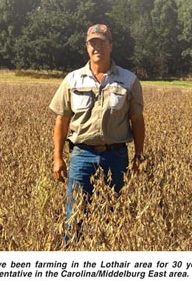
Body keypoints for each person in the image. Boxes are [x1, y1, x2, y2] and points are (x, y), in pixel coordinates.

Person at [49, 23, 145, 243]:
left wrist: (139, 155)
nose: (96, 47)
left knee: (115, 215)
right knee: (74, 216)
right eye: (92, 43)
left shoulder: (129, 80)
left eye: (101, 42)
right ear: (87, 47)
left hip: (117, 156)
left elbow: (137, 120)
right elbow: (61, 120)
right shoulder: (72, 80)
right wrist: (57, 158)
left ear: (111, 46)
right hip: (81, 156)